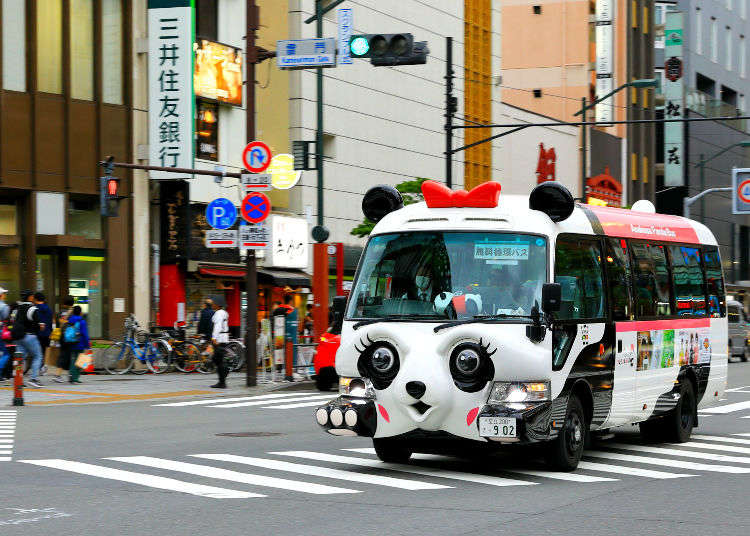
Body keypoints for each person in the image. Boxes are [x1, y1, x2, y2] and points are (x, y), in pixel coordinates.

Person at [13, 290, 45, 388]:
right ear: (30, 297)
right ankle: (33, 379)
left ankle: (18, 380)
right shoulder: (32, 308)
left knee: (20, 358)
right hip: (29, 336)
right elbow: (38, 324)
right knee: (38, 356)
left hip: (18, 336)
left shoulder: (17, 308)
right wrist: (41, 326)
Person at [62, 305, 89, 384]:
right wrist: (87, 346)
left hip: (70, 342)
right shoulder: (82, 321)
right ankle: (75, 378)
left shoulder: (70, 320)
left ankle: (72, 376)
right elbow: (85, 334)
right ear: (80, 312)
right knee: (80, 361)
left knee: (73, 359)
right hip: (79, 343)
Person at [51, 296, 75, 383]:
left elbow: (56, 324)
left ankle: (70, 374)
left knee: (66, 355)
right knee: (65, 355)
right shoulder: (72, 312)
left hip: (61, 336)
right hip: (70, 336)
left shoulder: (59, 312)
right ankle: (57, 375)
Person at [210, 295, 230, 389]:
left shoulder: (219, 313)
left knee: (217, 359)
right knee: (218, 359)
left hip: (219, 339)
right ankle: (222, 379)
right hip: (223, 338)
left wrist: (214, 338)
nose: (212, 304)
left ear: (217, 305)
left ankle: (223, 380)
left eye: (213, 303)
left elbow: (217, 326)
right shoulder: (224, 312)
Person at [33, 292, 53, 370]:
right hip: (46, 333)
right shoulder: (48, 309)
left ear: (35, 299)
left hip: (36, 333)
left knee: (36, 352)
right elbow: (50, 322)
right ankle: (42, 366)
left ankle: (36, 366)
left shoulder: (34, 309)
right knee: (43, 351)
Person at [0, 287, 11, 384]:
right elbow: (6, 318)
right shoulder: (4, 306)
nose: (5, 295)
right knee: (6, 353)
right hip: (0, 331)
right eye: (4, 293)